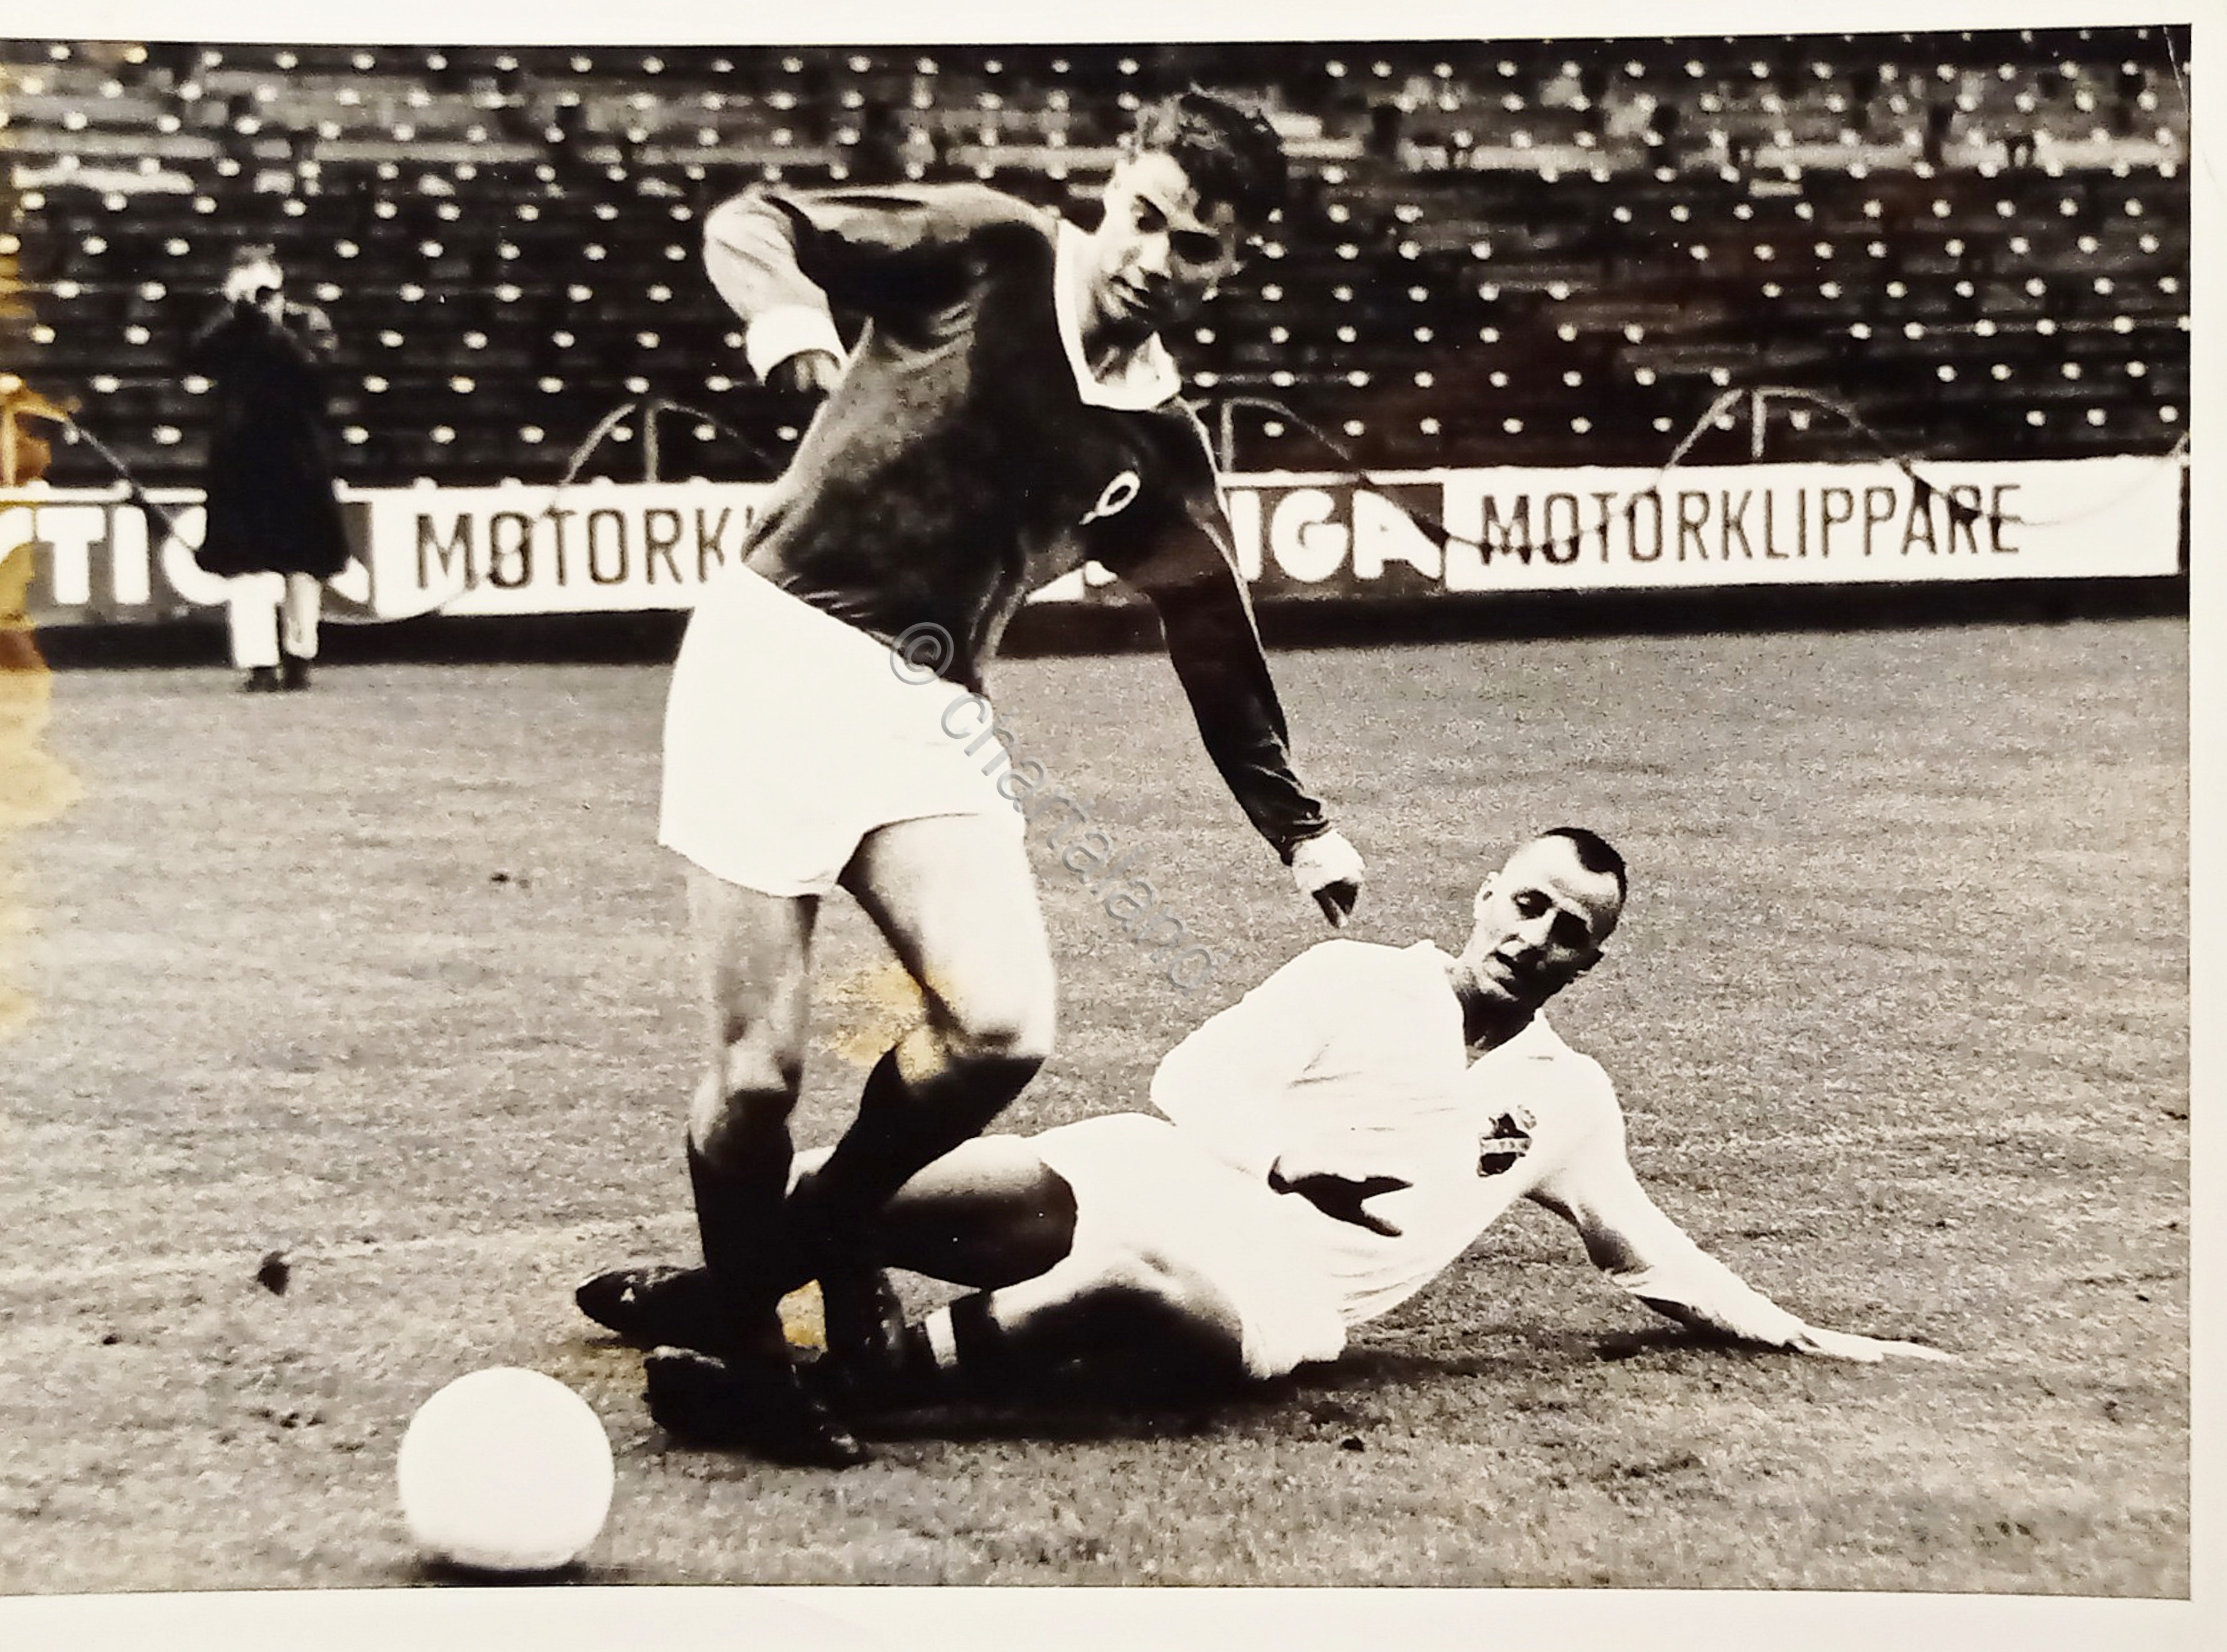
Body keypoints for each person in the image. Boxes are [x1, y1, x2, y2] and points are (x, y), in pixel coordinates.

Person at [601, 88, 1366, 1465]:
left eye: (1192, 245)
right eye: (1141, 215)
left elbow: (1207, 626)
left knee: (1001, 1026)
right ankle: (750, 1359)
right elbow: (754, 218)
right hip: (771, 654)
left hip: (921, 708)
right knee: (759, 1075)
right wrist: (782, 313)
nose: (1151, 256)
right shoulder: (989, 250)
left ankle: (766, 1262)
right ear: (1106, 190)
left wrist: (1296, 825)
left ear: (1230, 262)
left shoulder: (1155, 449)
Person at [590, 829, 1948, 1444]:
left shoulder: (1568, 1101)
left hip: (1266, 1288)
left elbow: (1649, 1250)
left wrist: (1811, 1334)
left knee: (1129, 1288)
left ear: (1590, 964)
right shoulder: (1357, 977)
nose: (1537, 938)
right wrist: (1287, 1160)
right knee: (837, 1181)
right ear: (1486, 894)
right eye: (1528, 904)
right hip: (1155, 1168)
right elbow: (1193, 1079)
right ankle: (720, 1295)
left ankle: (840, 1383)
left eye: (1571, 933)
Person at [190, 244, 351, 692]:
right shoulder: (229, 328)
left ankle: (301, 655)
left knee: (304, 567)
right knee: (248, 565)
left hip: (298, 457)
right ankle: (259, 662)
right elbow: (197, 355)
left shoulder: (308, 321)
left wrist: (272, 327)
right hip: (243, 458)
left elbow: (316, 372)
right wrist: (236, 315)